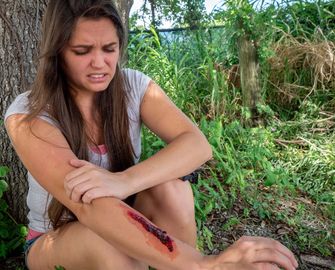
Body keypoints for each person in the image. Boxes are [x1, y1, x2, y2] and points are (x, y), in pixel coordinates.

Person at [4, 1, 298, 269]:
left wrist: (124, 181)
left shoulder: (133, 87)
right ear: (57, 53)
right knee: (108, 245)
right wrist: (204, 264)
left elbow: (197, 145)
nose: (99, 63)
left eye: (109, 48)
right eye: (82, 51)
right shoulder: (28, 114)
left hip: (126, 216)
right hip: (56, 238)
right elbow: (87, 204)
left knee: (173, 190)